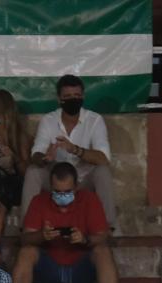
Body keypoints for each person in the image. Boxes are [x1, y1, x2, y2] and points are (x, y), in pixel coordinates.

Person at [13, 162, 120, 283]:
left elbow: (104, 237)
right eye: (57, 192)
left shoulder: (89, 200)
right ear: (50, 188)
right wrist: (42, 235)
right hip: (49, 269)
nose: (62, 195)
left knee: (102, 251)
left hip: (80, 268)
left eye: (67, 191)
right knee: (27, 252)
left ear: (76, 187)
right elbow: (25, 239)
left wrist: (85, 239)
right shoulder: (39, 201)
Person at [23, 74, 116, 227]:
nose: (73, 99)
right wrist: (45, 158)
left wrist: (75, 149)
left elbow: (103, 158)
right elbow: (36, 154)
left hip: (84, 180)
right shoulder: (49, 120)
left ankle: (107, 228)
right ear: (59, 99)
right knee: (33, 171)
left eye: (77, 95)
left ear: (83, 96)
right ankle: (27, 229)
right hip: (57, 181)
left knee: (103, 172)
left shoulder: (95, 120)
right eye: (68, 96)